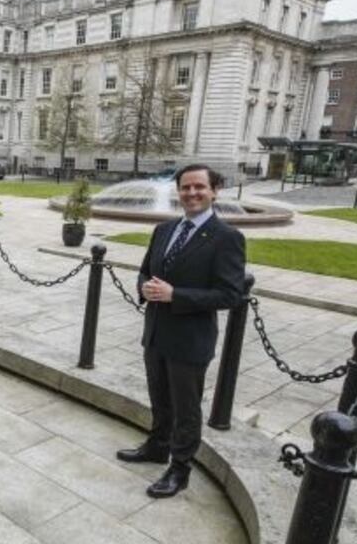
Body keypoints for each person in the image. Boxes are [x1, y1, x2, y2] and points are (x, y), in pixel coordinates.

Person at [116, 164, 246, 498]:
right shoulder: (164, 229)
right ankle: (157, 446)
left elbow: (230, 295)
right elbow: (145, 272)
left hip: (190, 339)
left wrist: (176, 295)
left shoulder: (227, 238)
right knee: (159, 397)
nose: (191, 193)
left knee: (186, 408)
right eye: (185, 187)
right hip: (156, 332)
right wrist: (144, 287)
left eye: (199, 187)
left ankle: (180, 468)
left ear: (214, 190)